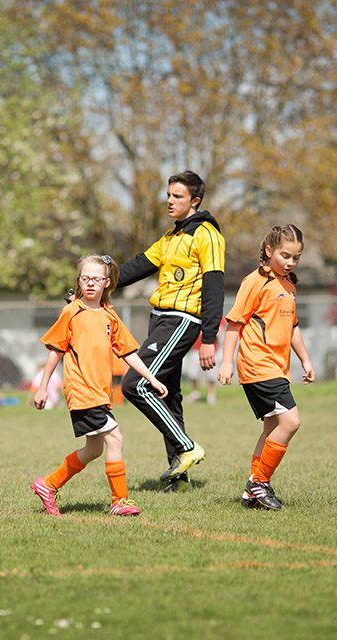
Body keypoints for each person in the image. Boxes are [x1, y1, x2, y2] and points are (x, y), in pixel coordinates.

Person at [30, 255, 167, 517]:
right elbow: (54, 351)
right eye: (85, 278)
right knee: (115, 438)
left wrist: (151, 378)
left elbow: (128, 352)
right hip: (82, 392)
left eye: (96, 279)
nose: (90, 283)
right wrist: (43, 387)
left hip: (100, 394)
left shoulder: (109, 316)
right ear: (78, 281)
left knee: (93, 449)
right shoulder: (71, 312)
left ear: (106, 282)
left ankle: (47, 485)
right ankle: (119, 501)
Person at [117, 170, 226, 492]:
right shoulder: (170, 237)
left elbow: (214, 289)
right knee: (169, 395)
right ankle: (178, 479)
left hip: (181, 322)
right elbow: (136, 267)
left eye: (177, 196)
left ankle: (187, 447)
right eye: (168, 194)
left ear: (195, 200)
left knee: (135, 384)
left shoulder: (208, 235)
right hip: (160, 319)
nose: (169, 200)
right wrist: (94, 283)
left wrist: (209, 339)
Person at [217, 224, 315, 511]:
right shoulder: (254, 281)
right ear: (269, 250)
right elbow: (234, 323)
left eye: (296, 258)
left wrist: (305, 360)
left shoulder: (289, 285)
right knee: (291, 422)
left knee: (272, 428)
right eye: (285, 255)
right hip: (257, 364)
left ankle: (252, 492)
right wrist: (225, 362)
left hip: (277, 367)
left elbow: (293, 327)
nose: (290, 262)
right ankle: (259, 483)